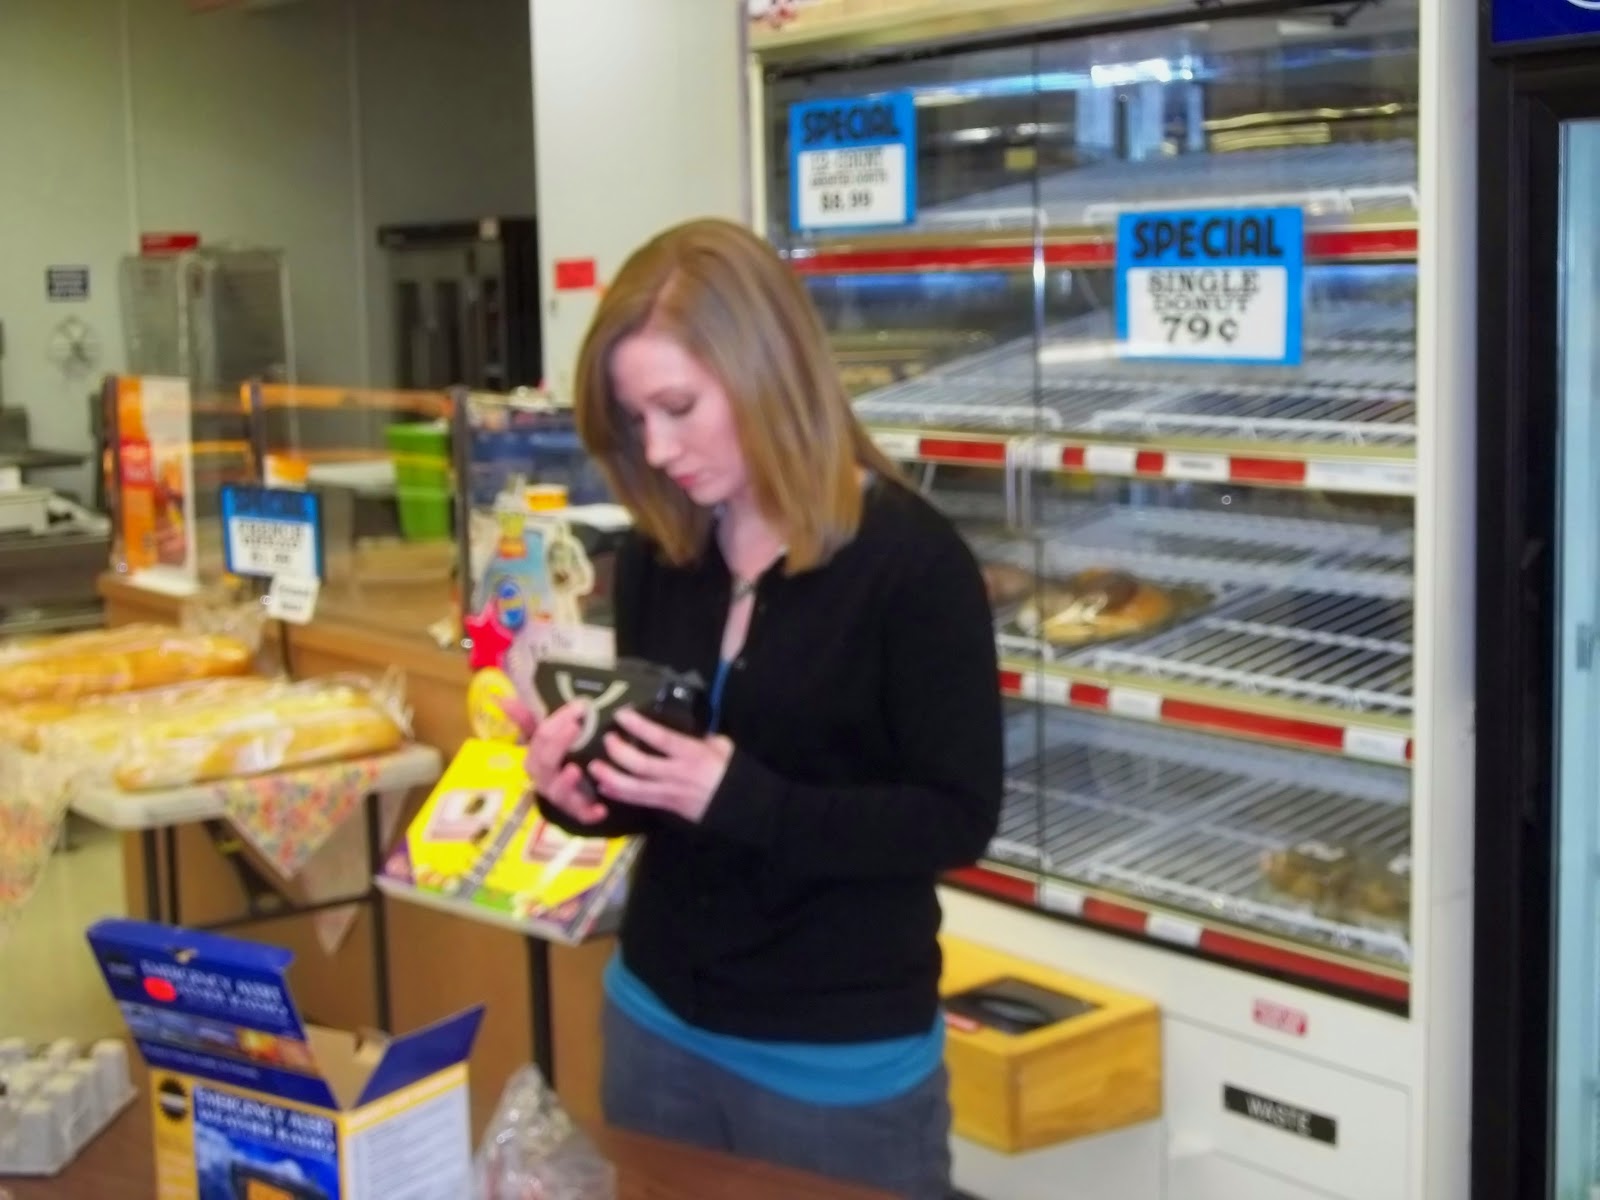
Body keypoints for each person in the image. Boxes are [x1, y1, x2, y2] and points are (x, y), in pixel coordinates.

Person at [516, 217, 1003, 1199]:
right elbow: (668, 789)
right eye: (634, 419)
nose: (657, 449)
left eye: (679, 407)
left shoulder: (909, 565)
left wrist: (741, 796)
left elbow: (955, 816)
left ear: (766, 370)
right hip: (654, 1022)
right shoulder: (664, 551)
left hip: (834, 1069)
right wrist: (578, 789)